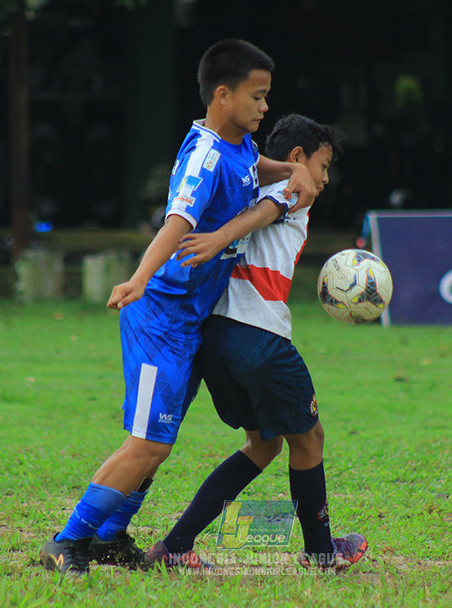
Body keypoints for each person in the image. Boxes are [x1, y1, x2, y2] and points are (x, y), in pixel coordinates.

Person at [38, 38, 317, 573]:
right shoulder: (205, 156)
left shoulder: (238, 145)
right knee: (148, 444)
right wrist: (139, 279)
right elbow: (177, 222)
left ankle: (109, 537)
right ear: (222, 95)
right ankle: (67, 542)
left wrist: (288, 169)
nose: (265, 107)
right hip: (161, 317)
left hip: (190, 322)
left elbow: (252, 167)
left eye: (266, 96)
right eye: (257, 96)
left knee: (159, 441)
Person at [142, 113, 368, 572]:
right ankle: (321, 551)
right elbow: (269, 208)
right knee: (310, 439)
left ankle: (175, 546)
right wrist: (223, 236)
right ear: (298, 157)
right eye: (323, 166)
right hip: (259, 336)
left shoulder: (243, 184)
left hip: (216, 338)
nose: (324, 179)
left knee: (263, 446)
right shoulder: (295, 187)